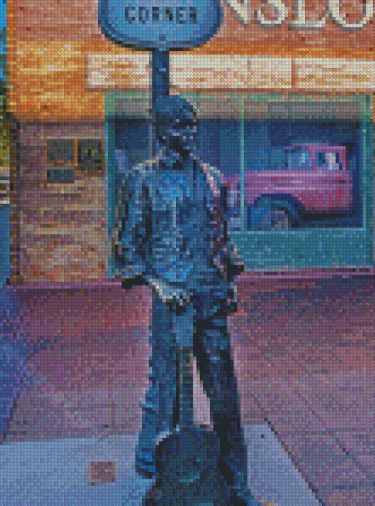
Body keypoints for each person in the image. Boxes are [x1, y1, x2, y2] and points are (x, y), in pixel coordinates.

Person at [112, 95, 262, 505]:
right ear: (161, 131)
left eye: (192, 125)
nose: (188, 133)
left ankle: (236, 482)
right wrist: (161, 285)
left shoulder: (213, 177)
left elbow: (221, 240)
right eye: (179, 126)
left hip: (211, 303)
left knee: (225, 397)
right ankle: (163, 480)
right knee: (168, 398)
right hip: (172, 308)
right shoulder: (142, 179)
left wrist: (231, 265)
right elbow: (125, 252)